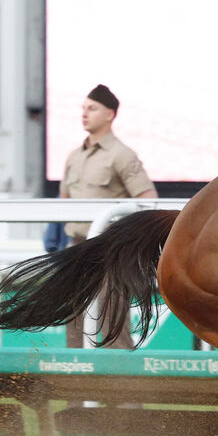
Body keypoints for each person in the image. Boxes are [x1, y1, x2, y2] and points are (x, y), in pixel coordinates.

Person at [60, 84, 157, 348]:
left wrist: (132, 243)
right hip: (77, 246)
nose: (84, 114)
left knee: (111, 315)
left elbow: (148, 201)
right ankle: (75, 375)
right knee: (74, 315)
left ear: (110, 114)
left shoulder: (122, 155)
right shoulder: (72, 157)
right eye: (83, 108)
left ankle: (122, 381)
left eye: (92, 108)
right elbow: (63, 202)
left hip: (110, 249)